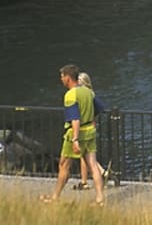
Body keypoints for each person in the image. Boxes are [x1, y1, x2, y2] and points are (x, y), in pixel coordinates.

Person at [39, 64, 105, 205]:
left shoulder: (70, 95)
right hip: (90, 131)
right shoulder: (88, 92)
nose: (61, 79)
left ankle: (55, 197)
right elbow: (100, 108)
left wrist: (75, 139)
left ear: (68, 78)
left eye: (62, 77)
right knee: (93, 165)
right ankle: (100, 199)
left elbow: (75, 119)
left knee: (64, 165)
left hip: (76, 134)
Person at [72, 72, 111, 191]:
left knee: (85, 154)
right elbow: (101, 108)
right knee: (84, 155)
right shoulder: (91, 94)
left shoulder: (84, 95)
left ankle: (101, 171)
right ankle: (84, 182)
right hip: (91, 125)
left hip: (85, 127)